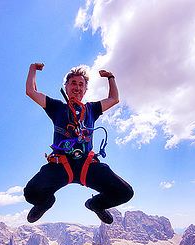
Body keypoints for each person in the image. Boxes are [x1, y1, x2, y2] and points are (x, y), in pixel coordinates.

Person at [24, 63, 133, 224]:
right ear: (66, 87)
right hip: (61, 164)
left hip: (87, 165)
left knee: (125, 192)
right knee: (31, 193)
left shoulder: (92, 109)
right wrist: (32, 69)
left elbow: (114, 99)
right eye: (73, 83)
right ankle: (45, 203)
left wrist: (111, 77)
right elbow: (31, 92)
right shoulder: (56, 107)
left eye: (81, 84)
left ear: (85, 90)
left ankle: (96, 205)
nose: (77, 87)